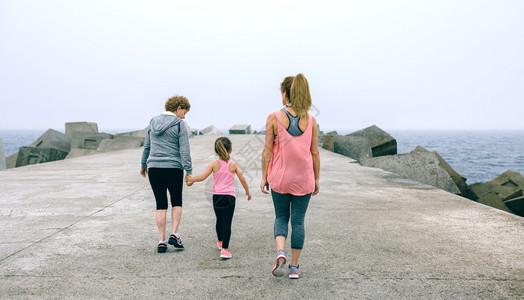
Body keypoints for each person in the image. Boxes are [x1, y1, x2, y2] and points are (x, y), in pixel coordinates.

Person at [260, 74, 320, 279]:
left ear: (286, 92)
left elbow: (267, 151)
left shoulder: (274, 117)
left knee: (281, 217)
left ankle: (280, 252)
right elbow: (314, 153)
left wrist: (263, 177)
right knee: (298, 222)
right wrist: (316, 179)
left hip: (280, 178)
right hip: (304, 179)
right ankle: (294, 267)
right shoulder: (311, 120)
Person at [140, 95, 193, 253]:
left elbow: (147, 146)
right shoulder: (179, 124)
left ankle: (162, 240)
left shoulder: (153, 121)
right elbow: (184, 150)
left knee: (160, 204)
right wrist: (189, 171)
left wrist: (143, 165)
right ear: (177, 108)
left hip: (154, 168)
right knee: (176, 201)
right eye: (184, 111)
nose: (184, 115)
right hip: (173, 168)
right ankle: (175, 234)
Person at [186, 137, 251, 259]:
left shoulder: (214, 164)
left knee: (219, 220)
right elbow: (242, 179)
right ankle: (225, 250)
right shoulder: (233, 165)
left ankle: (220, 241)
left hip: (217, 197)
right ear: (230, 150)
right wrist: (248, 193)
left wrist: (191, 180)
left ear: (216, 150)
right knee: (227, 222)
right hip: (230, 197)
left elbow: (202, 177)